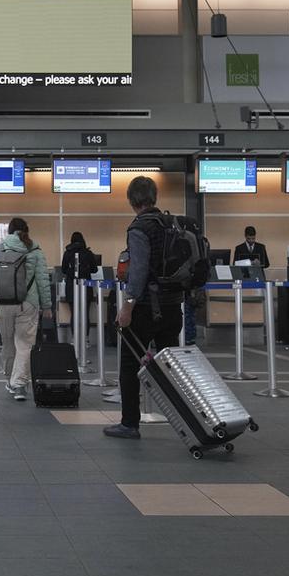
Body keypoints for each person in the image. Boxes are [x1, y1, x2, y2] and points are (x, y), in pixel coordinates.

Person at [106, 176, 185, 440]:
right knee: (170, 366)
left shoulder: (139, 228)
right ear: (154, 197)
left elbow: (138, 271)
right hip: (173, 306)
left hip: (146, 309)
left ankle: (130, 423)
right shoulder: (171, 224)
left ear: (131, 200)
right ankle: (189, 420)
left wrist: (127, 306)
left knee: (130, 364)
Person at [0, 218, 51, 402]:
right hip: (27, 304)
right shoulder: (34, 250)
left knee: (7, 344)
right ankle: (19, 384)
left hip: (1, 305)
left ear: (10, 232)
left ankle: (9, 380)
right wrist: (47, 306)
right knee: (25, 345)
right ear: (26, 230)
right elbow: (43, 281)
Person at [61, 231, 98, 342]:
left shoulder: (67, 253)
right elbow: (94, 269)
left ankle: (74, 338)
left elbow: (63, 269)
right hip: (86, 286)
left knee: (74, 314)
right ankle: (86, 338)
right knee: (85, 313)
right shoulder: (88, 253)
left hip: (71, 287)